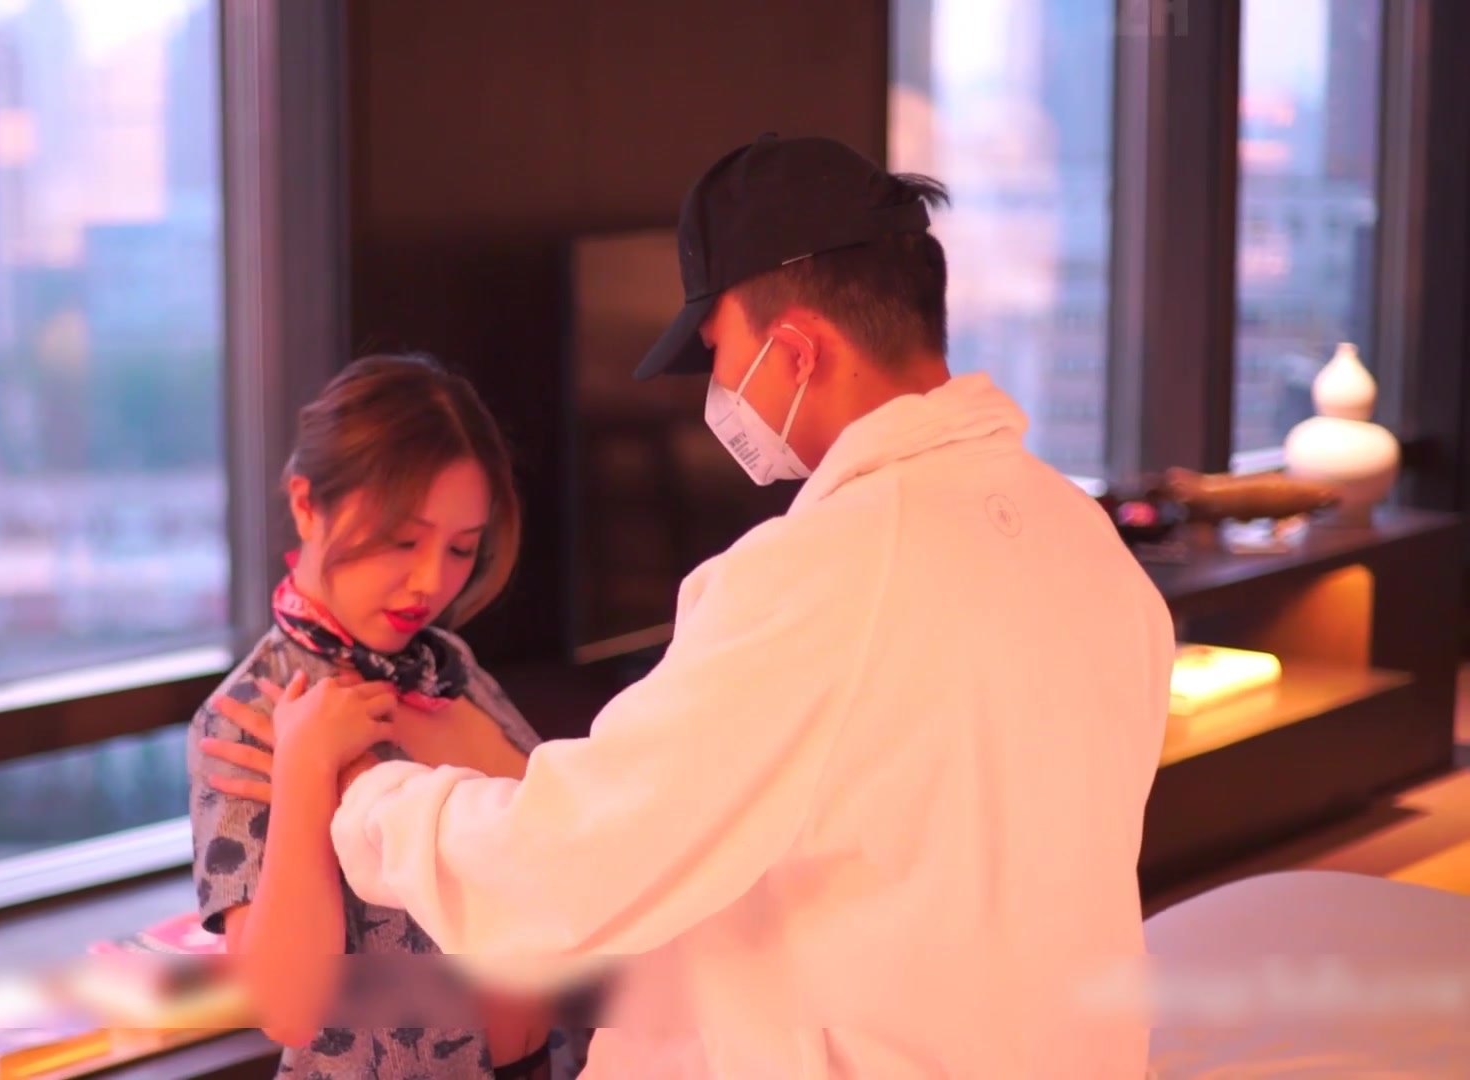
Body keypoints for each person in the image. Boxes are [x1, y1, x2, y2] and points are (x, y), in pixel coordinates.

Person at [217, 135, 1176, 1077]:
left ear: (794, 349)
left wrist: (358, 791)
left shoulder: (824, 575)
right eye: (400, 538)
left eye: (718, 352)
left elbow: (580, 861)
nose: (718, 390)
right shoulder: (1082, 538)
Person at [187, 353, 581, 1079]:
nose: (431, 581)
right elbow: (285, 1007)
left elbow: (573, 858)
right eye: (402, 540)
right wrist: (306, 772)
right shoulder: (250, 714)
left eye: (461, 548)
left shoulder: (448, 667)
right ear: (307, 505)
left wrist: (473, 744)